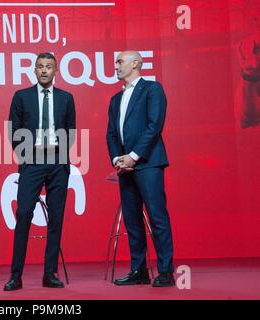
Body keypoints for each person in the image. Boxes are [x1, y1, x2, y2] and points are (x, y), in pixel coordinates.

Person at [4, 52, 76, 291]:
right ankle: (16, 275)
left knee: (55, 219)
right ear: (34, 71)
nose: (44, 70)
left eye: (49, 67)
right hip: (32, 162)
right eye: (40, 67)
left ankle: (50, 273)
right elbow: (13, 132)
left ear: (56, 71)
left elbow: (72, 133)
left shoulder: (66, 98)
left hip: (58, 162)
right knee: (24, 214)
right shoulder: (21, 96)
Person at [106, 51, 174, 287]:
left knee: (157, 217)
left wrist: (133, 157)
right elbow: (111, 134)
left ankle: (165, 271)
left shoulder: (152, 89)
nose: (116, 66)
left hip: (148, 164)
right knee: (132, 221)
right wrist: (118, 159)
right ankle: (139, 270)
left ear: (135, 63)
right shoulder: (115, 99)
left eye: (120, 61)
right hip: (125, 167)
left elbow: (154, 126)